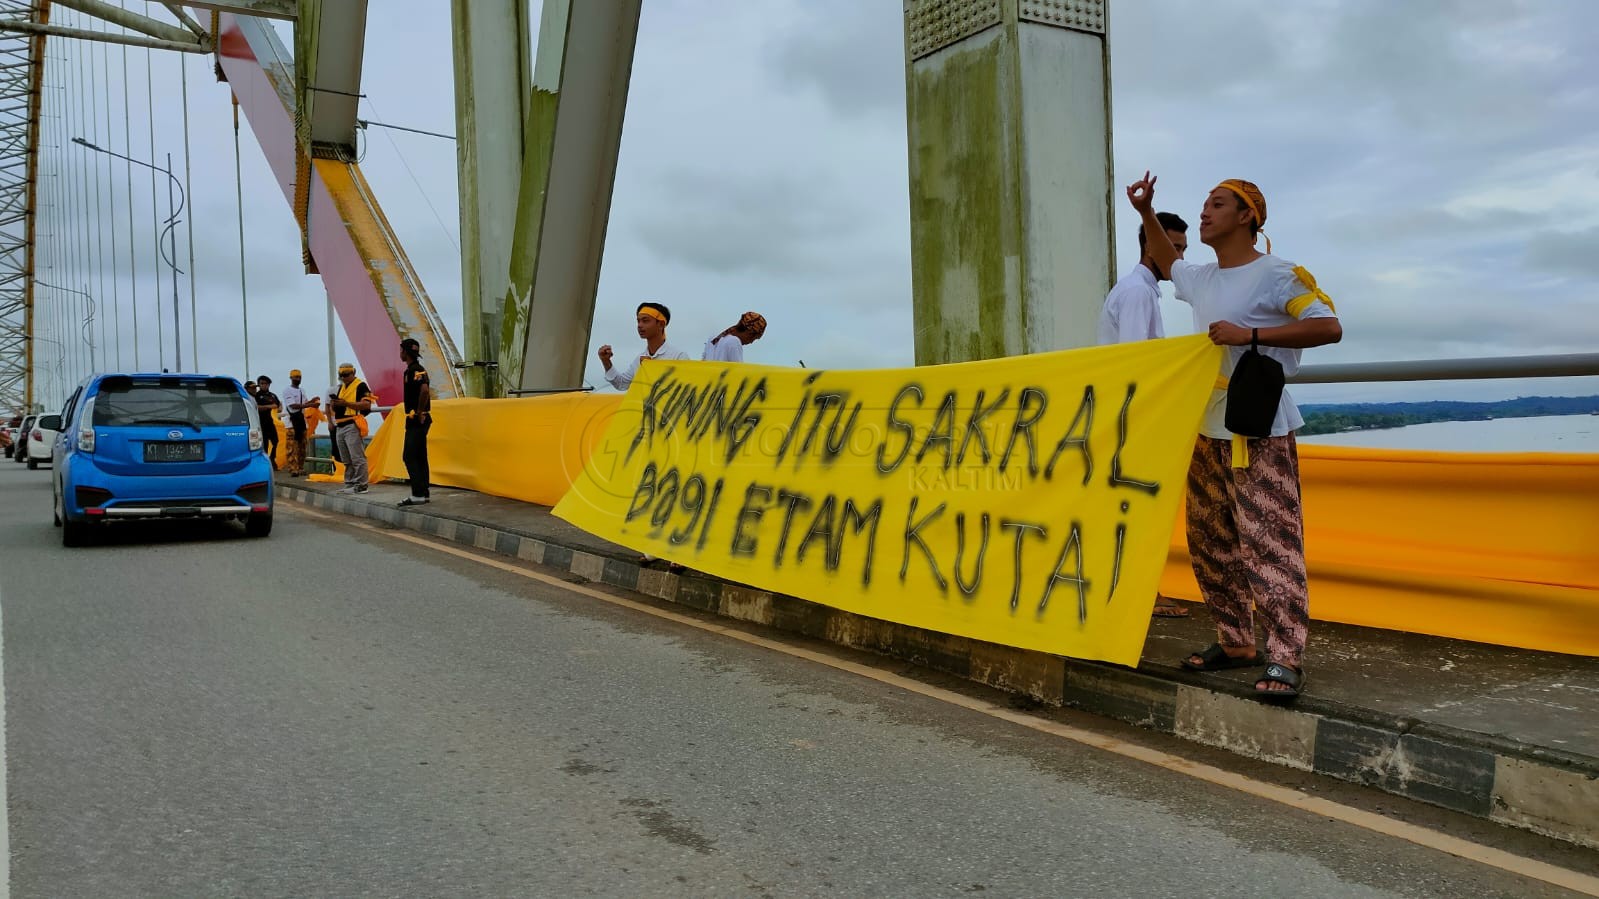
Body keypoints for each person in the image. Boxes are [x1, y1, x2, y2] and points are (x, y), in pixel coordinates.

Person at [1127, 172, 1341, 702]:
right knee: (1210, 540)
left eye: (1217, 205)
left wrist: (1251, 335)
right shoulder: (1203, 277)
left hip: (1258, 425)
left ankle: (1286, 655)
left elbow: (1328, 326)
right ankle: (1237, 640)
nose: (1204, 213)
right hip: (1207, 424)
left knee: (1271, 541)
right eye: (1204, 204)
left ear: (1247, 216)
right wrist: (1145, 212)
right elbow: (1167, 259)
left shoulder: (1278, 275)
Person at [1097, 211, 1192, 618]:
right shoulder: (1137, 293)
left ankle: (1139, 592)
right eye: (1175, 248)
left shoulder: (1141, 290)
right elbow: (1138, 363)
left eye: (1184, 250)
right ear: (1151, 245)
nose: (1180, 258)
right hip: (1132, 420)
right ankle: (1142, 595)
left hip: (1127, 416)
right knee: (1135, 510)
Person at [598, 301, 691, 391]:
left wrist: (651, 370)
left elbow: (684, 392)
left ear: (661, 324)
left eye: (645, 321)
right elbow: (621, 384)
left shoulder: (679, 356)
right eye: (638, 321)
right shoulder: (639, 359)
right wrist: (606, 361)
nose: (639, 325)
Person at [398, 338, 433, 507]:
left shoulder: (414, 370)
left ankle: (417, 494)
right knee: (420, 456)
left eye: (401, 350)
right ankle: (423, 493)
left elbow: (424, 390)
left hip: (417, 419)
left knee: (409, 456)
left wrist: (419, 412)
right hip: (420, 418)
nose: (400, 353)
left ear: (405, 351)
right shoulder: (417, 369)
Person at [328, 362, 373, 494]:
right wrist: (335, 405)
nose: (344, 377)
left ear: (353, 373)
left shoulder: (361, 386)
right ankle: (350, 483)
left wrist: (346, 403)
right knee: (346, 458)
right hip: (340, 424)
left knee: (357, 457)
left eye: (346, 375)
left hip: (352, 423)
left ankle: (361, 485)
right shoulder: (342, 387)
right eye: (341, 375)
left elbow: (366, 405)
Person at [702, 311, 767, 362]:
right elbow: (737, 372)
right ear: (749, 333)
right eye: (754, 338)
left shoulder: (713, 338)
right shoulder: (734, 342)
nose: (751, 342)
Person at [281, 369, 312, 476]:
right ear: (291, 378)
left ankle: (300, 467)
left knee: (302, 446)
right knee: (292, 447)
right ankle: (293, 469)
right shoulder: (287, 390)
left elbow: (306, 403)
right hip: (291, 422)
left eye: (299, 377)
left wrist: (313, 402)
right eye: (295, 377)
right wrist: (309, 405)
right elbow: (293, 405)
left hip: (302, 421)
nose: (297, 379)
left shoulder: (302, 390)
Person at [254, 375, 281, 468]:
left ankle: (272, 458)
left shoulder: (272, 395)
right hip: (260, 423)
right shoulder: (256, 395)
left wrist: (274, 406)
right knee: (264, 444)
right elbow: (256, 407)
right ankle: (265, 464)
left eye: (266, 383)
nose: (264, 385)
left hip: (270, 422)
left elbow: (279, 407)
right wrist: (269, 406)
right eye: (262, 383)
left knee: (275, 441)